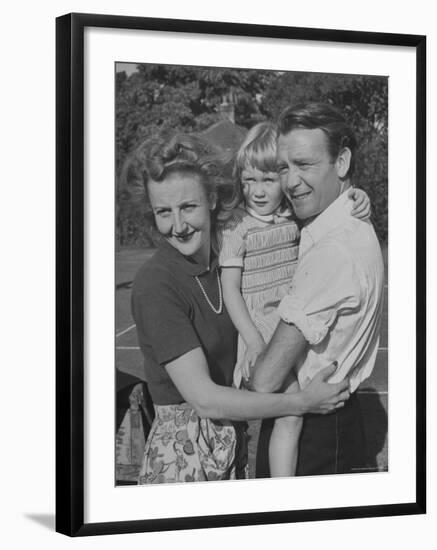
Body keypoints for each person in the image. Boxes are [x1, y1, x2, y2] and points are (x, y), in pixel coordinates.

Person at [129, 133, 351, 484]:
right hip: (183, 461)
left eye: (188, 207)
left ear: (213, 199)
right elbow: (204, 400)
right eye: (163, 212)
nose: (178, 225)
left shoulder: (227, 262)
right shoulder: (156, 285)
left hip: (229, 446)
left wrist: (353, 196)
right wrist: (302, 403)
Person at [217, 121, 370, 478]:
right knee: (290, 411)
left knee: (293, 410)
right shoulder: (235, 227)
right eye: (248, 180)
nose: (256, 190)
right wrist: (254, 341)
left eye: (268, 180)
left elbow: (334, 211)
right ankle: (283, 491)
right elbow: (230, 290)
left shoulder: (293, 216)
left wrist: (358, 196)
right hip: (260, 329)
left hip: (294, 321)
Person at [251, 103, 385, 477]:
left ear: (341, 163)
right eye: (283, 167)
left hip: (313, 431)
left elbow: (265, 380)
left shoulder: (334, 250)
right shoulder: (346, 226)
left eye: (304, 165)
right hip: (331, 420)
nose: (290, 181)